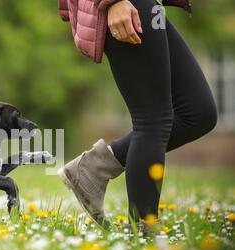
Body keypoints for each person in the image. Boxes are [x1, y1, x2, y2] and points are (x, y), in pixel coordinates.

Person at [57, 0, 217, 234]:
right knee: (152, 121)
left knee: (198, 114)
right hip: (128, 3)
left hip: (149, 5)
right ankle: (144, 229)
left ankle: (94, 167)